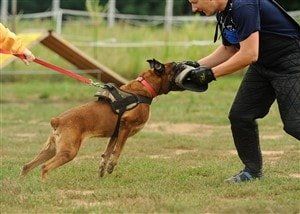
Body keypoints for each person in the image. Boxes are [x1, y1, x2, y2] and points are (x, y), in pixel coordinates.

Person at [177, 0, 300, 183]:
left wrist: (210, 75)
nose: (194, 8)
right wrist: (192, 67)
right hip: (263, 65)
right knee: (241, 116)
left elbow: (249, 54)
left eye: (195, 2)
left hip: (291, 62)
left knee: (295, 124)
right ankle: (252, 172)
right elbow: (230, 49)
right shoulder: (224, 11)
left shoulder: (243, 5)